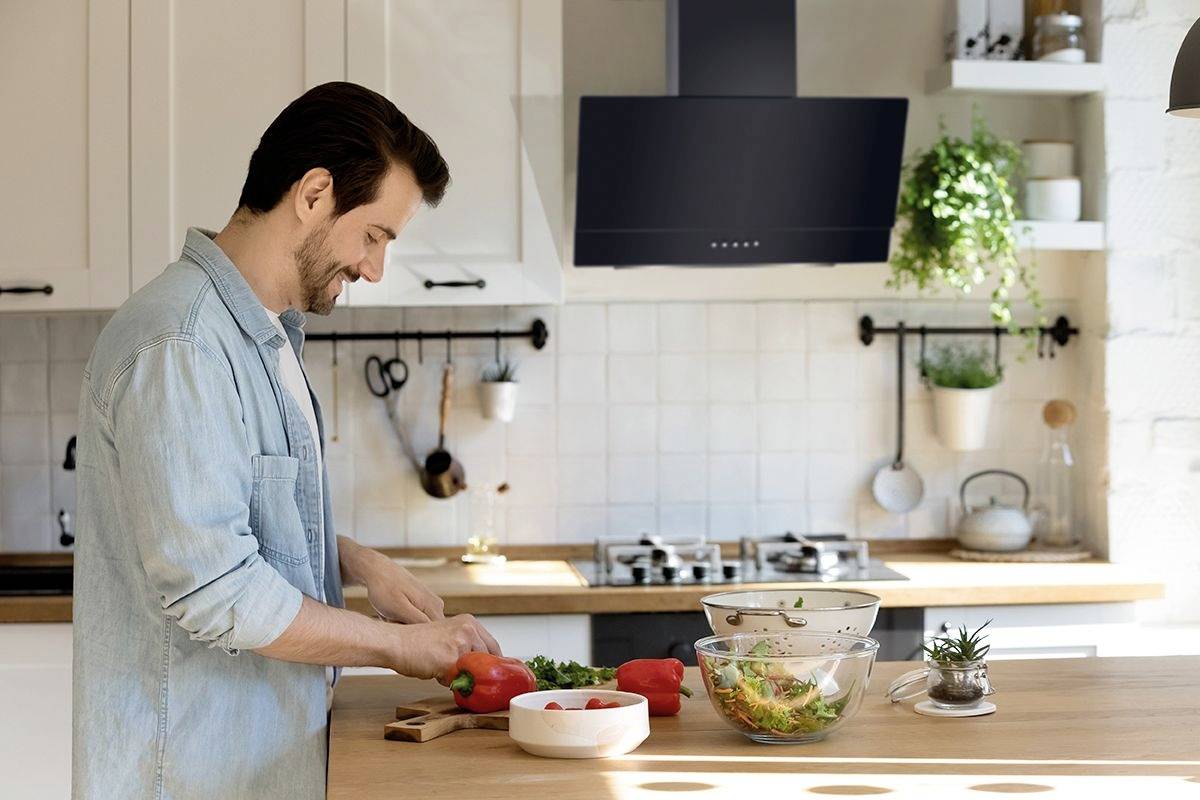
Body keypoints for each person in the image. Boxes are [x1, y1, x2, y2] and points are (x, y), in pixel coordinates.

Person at [72, 81, 502, 799]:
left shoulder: (263, 337)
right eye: (374, 235)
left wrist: (355, 560)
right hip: (191, 774)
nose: (374, 268)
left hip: (259, 760)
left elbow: (223, 518)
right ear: (313, 193)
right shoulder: (181, 344)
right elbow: (216, 587)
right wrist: (399, 645)